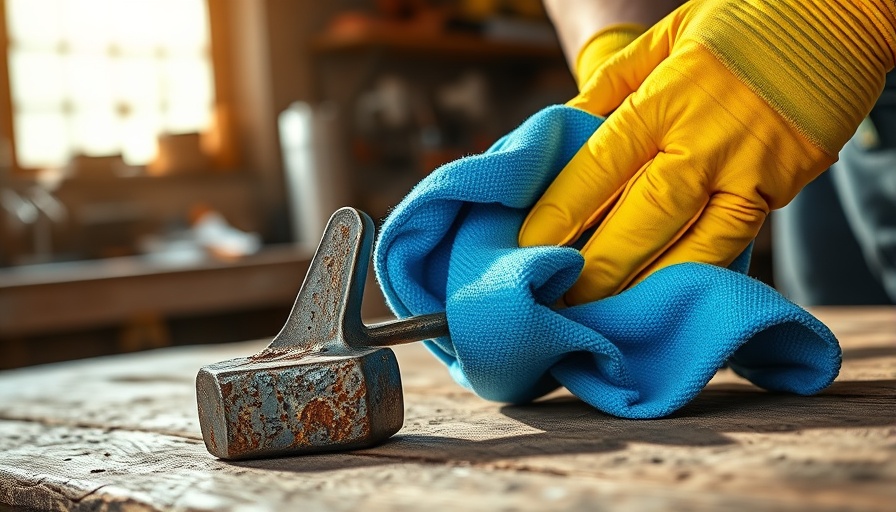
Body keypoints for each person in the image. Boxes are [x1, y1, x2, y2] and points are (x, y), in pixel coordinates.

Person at [518, 0, 896, 306]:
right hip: (768, 76)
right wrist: (618, 49)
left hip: (818, 40)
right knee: (831, 303)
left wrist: (856, 13)